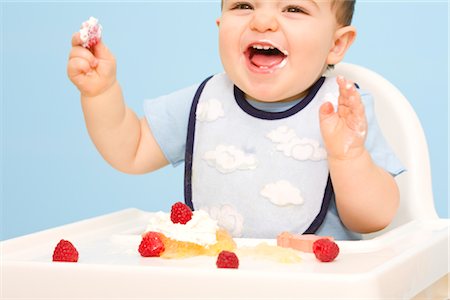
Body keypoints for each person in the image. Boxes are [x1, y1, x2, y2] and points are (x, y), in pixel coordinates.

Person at [67, 0, 404, 240]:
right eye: (244, 6)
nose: (262, 22)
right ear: (220, 25)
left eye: (294, 9)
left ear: (337, 44)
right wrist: (100, 94)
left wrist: (349, 157)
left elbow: (373, 219)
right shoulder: (206, 102)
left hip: (315, 287)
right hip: (220, 283)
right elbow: (132, 150)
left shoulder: (343, 111)